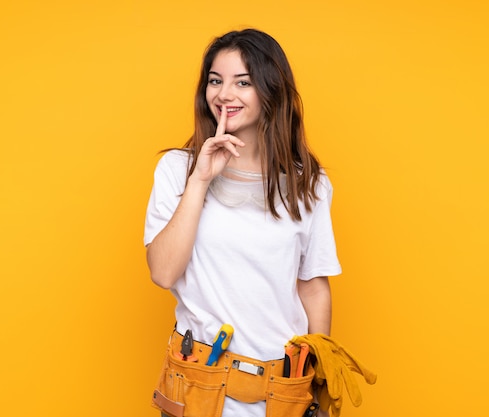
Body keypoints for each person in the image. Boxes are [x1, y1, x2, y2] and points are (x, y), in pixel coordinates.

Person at [144, 28, 341, 417]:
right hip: (198, 385)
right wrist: (201, 178)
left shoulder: (309, 184)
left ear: (271, 91)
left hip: (283, 389)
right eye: (215, 81)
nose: (224, 94)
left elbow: (313, 287)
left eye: (243, 82)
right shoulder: (178, 170)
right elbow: (163, 272)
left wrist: (317, 379)